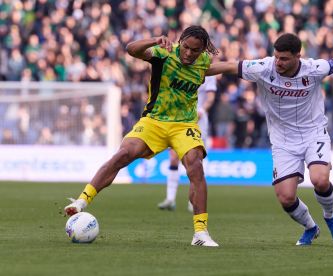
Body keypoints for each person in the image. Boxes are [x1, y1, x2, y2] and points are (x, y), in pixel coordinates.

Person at [206, 32, 333, 246]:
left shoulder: (313, 69)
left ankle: (330, 217)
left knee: (320, 180)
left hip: (313, 132)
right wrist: (195, 70)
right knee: (286, 197)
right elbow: (229, 66)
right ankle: (310, 227)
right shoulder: (263, 68)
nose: (278, 62)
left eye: (284, 58)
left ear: (298, 55)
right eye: (276, 56)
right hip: (282, 140)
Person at [64, 25, 220, 247]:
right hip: (154, 120)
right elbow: (132, 50)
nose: (188, 53)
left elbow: (228, 67)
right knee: (124, 154)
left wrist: (257, 67)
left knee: (195, 166)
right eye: (185, 47)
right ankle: (81, 201)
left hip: (184, 123)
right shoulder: (164, 52)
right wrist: (154, 41)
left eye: (194, 50)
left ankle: (200, 233)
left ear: (203, 49)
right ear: (180, 41)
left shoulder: (205, 62)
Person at [158, 75, 217, 212]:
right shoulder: (181, 67)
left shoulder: (208, 73)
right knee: (173, 157)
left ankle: (194, 200)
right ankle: (170, 199)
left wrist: (201, 111)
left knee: (195, 162)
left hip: (199, 121)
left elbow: (210, 98)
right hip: (180, 119)